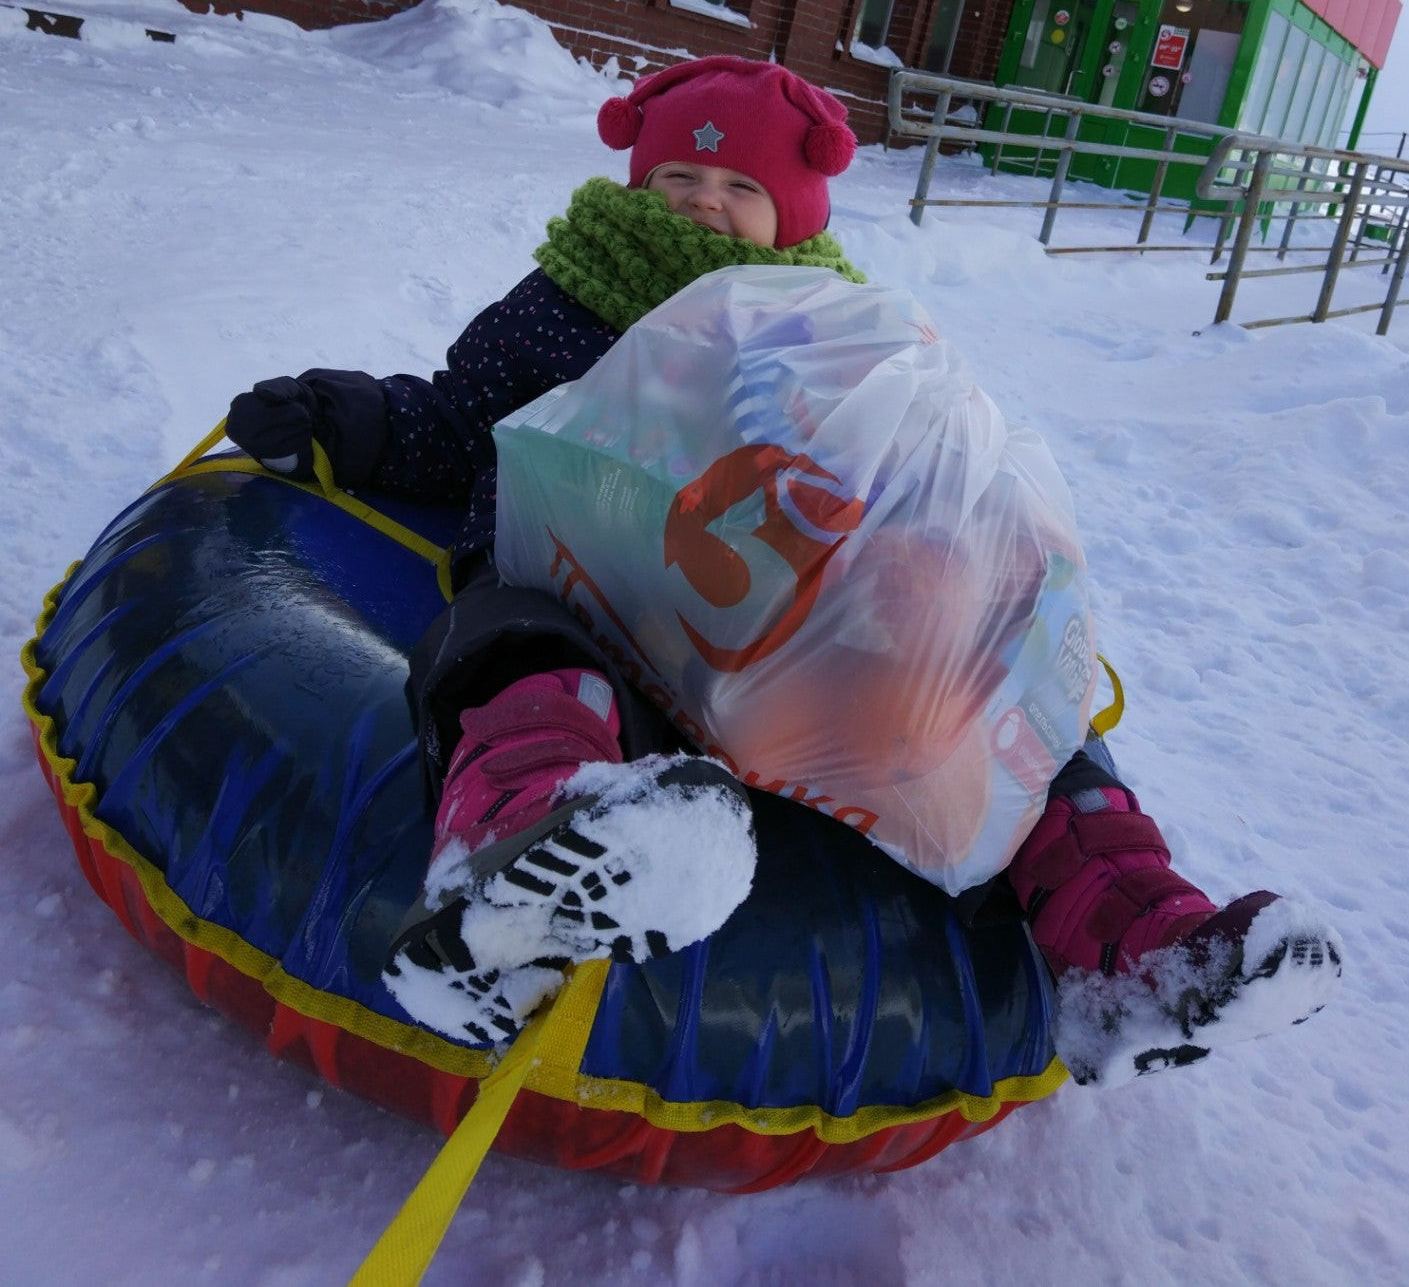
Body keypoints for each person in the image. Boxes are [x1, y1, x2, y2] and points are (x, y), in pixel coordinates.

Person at [225, 54, 1340, 1080]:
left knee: (995, 692)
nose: (704, 199)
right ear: (637, 183)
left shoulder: (830, 331)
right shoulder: (563, 306)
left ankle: (1136, 945)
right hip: (589, 597)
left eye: (738, 185)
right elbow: (464, 418)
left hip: (796, 631)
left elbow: (881, 476)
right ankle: (526, 845)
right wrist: (349, 417)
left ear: (791, 213)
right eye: (679, 174)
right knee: (511, 637)